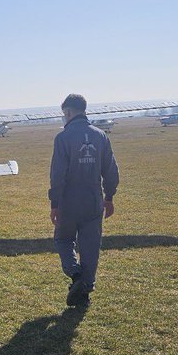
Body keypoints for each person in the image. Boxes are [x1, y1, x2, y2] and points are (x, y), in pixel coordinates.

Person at [49, 94, 119, 307]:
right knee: (90, 246)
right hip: (93, 201)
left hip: (68, 202)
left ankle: (75, 274)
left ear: (68, 112)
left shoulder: (62, 138)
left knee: (63, 239)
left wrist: (54, 204)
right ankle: (85, 291)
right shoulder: (101, 136)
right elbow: (111, 170)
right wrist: (109, 196)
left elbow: (58, 175)